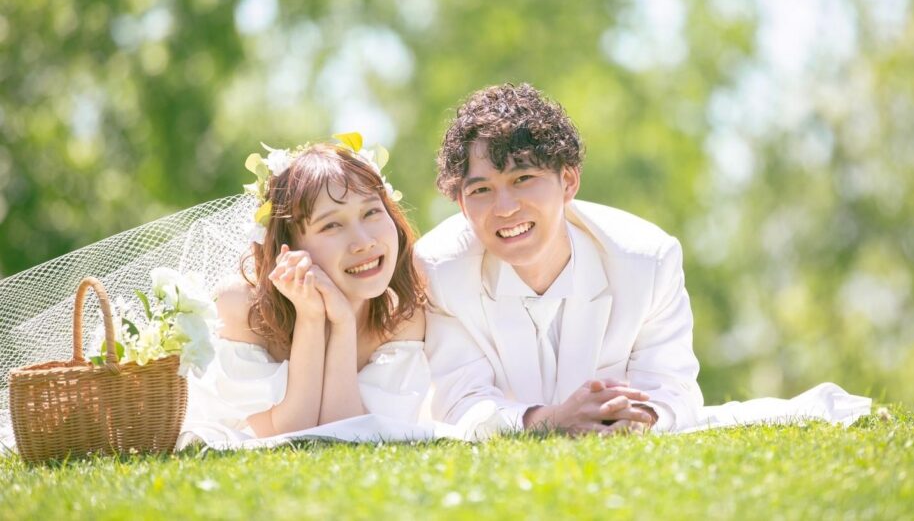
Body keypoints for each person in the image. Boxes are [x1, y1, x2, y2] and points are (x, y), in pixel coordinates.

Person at [417, 84, 703, 437]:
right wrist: (553, 420)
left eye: (523, 178)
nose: (504, 208)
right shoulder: (438, 270)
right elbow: (460, 403)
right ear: (461, 204)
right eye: (481, 190)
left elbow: (673, 389)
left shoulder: (648, 261)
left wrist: (631, 417)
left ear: (568, 181)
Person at [185, 138, 428, 440]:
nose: (364, 242)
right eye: (331, 226)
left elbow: (352, 433)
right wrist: (310, 318)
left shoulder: (401, 315)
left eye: (371, 213)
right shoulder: (243, 305)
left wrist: (342, 323)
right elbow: (289, 435)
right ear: (287, 245)